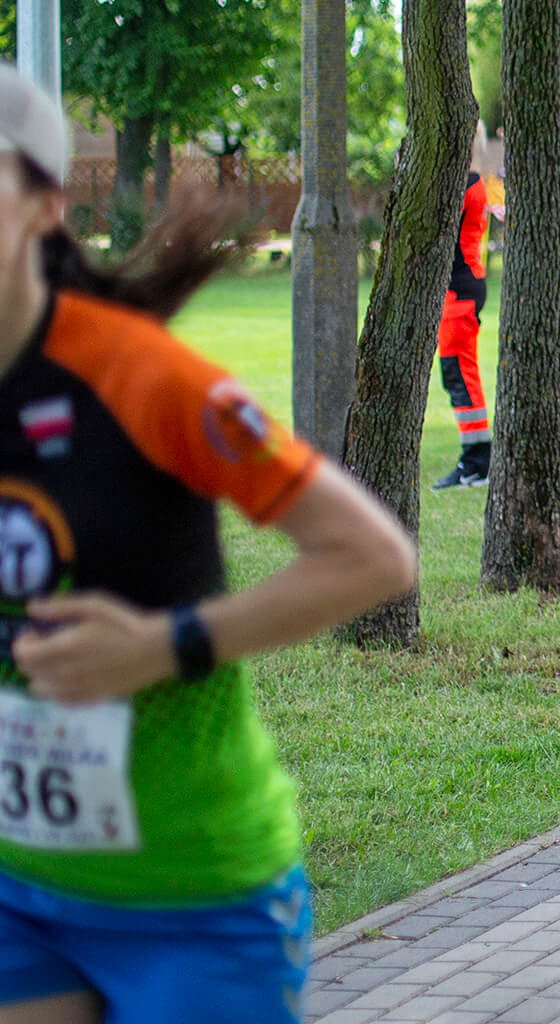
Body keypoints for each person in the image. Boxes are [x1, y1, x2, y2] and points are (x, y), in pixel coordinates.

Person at [0, 61, 415, 1024]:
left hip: (194, 897)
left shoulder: (142, 377)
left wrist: (161, 646)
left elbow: (374, 558)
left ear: (43, 206)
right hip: (19, 889)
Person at [430, 121, 503, 490]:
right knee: (458, 372)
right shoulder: (478, 181)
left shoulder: (464, 185)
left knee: (460, 374)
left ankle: (476, 462)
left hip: (458, 292)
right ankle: (475, 459)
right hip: (463, 287)